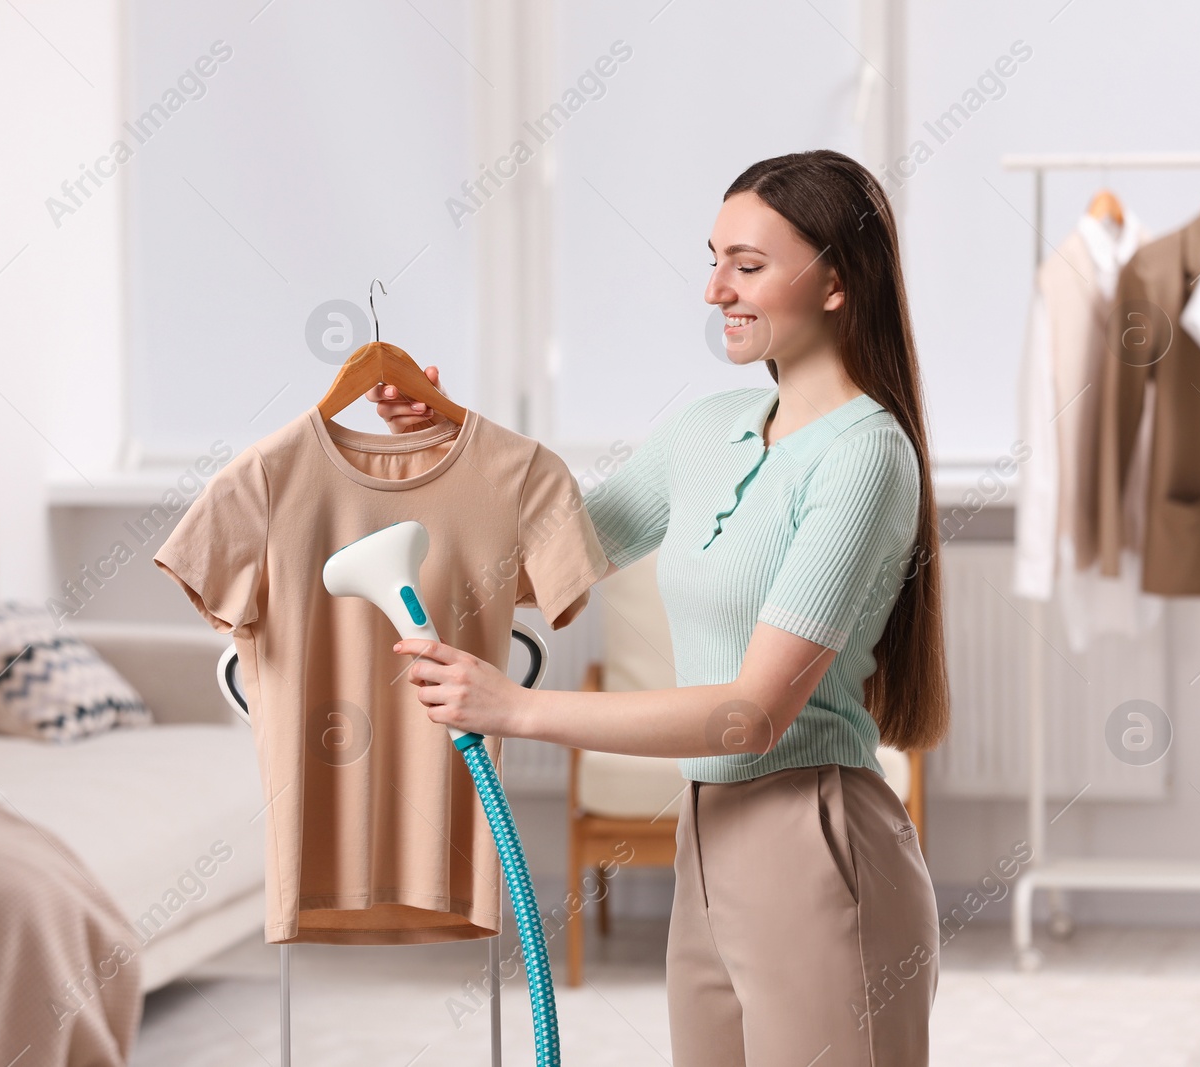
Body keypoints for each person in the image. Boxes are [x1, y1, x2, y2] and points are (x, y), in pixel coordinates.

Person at [367, 149, 949, 1066]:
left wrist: (513, 706)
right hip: (705, 840)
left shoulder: (867, 456)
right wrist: (450, 435)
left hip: (818, 840)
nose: (716, 287)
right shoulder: (703, 430)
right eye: (714, 258)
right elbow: (541, 563)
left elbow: (751, 713)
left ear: (837, 281)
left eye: (748, 266)